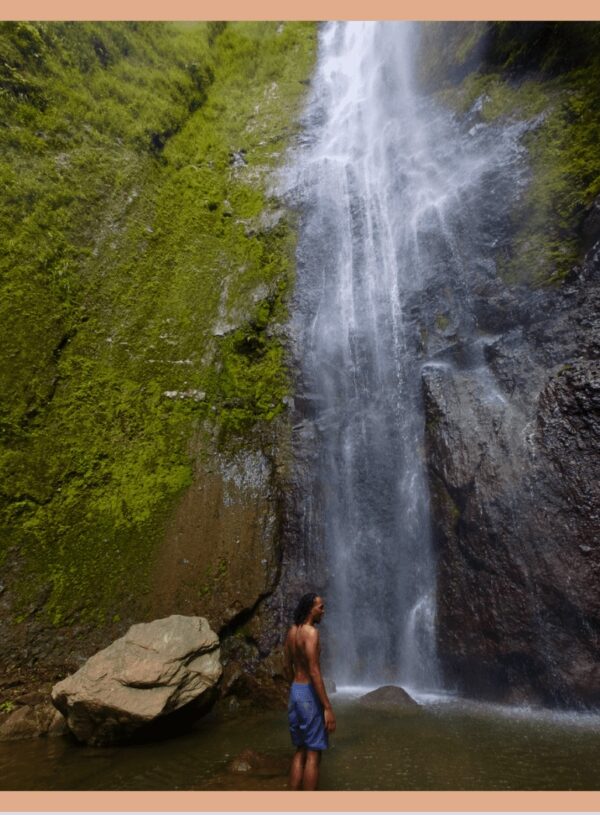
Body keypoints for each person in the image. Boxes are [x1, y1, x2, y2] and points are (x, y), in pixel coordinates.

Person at [284, 592, 336, 791]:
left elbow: (286, 665)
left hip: (296, 691)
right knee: (314, 754)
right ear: (310, 609)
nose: (323, 611)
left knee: (301, 750)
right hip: (308, 693)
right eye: (320, 607)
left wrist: (294, 690)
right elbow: (314, 671)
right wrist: (327, 707)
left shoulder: (292, 631)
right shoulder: (311, 633)